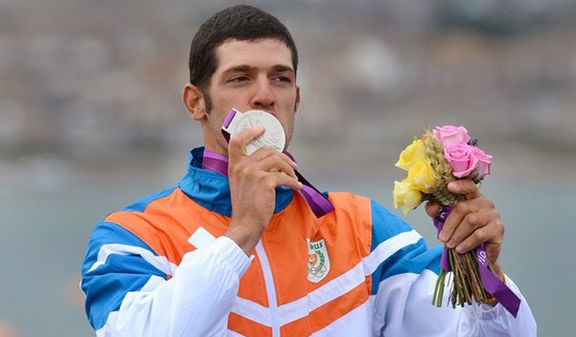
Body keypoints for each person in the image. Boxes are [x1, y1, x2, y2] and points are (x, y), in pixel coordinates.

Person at [80, 4, 536, 337]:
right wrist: (241, 232)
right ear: (196, 102)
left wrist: (483, 276)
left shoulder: (364, 230)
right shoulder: (132, 237)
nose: (264, 95)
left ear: (296, 99)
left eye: (280, 78)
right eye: (240, 78)